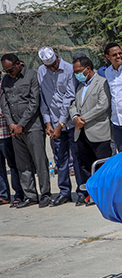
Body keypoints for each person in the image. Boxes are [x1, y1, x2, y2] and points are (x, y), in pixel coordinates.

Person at [0, 53, 51, 208]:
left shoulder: (31, 76)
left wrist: (21, 124)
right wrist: (12, 125)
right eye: (6, 71)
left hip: (33, 127)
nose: (9, 73)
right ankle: (30, 196)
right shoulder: (6, 81)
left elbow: (34, 102)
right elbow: (5, 105)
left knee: (39, 162)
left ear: (18, 64)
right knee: (23, 165)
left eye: (10, 70)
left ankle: (45, 194)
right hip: (15, 130)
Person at [36, 47, 81, 207]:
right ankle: (64, 192)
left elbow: (69, 97)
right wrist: (48, 123)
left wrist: (60, 125)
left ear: (56, 57)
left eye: (54, 64)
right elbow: (44, 99)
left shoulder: (69, 69)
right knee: (60, 160)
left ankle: (82, 191)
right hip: (54, 124)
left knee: (77, 158)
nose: (53, 68)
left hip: (69, 123)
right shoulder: (42, 71)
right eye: (49, 67)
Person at [69, 56, 112, 207]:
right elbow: (73, 104)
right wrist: (75, 117)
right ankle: (91, 194)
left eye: (79, 71)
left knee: (102, 165)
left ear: (88, 69)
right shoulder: (80, 86)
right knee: (85, 165)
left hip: (98, 131)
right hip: (81, 132)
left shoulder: (102, 82)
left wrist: (83, 119)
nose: (77, 74)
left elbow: (103, 105)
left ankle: (105, 195)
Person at [0, 113, 24, 206]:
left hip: (6, 135)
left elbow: (6, 113)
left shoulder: (3, 98)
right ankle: (4, 195)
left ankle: (19, 194)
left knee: (13, 166)